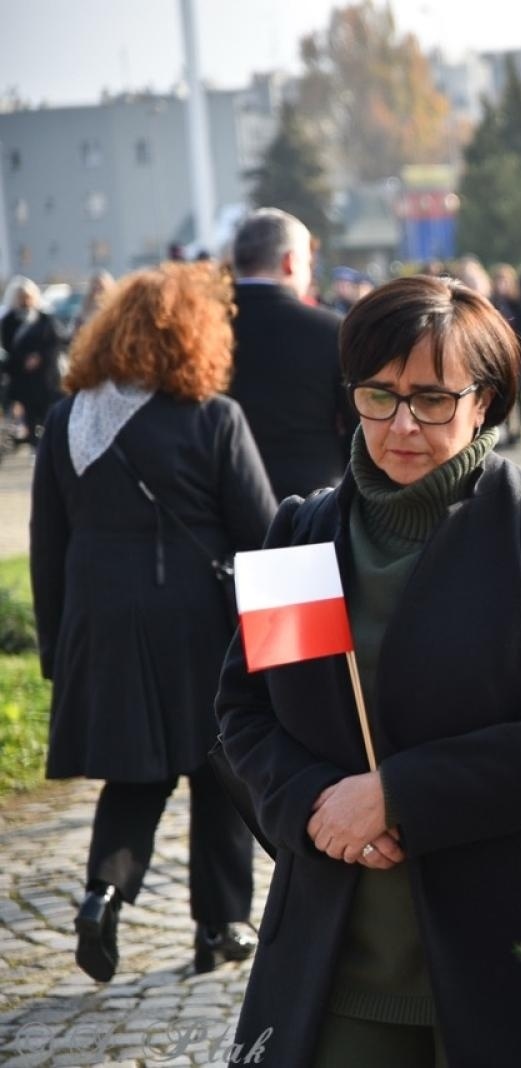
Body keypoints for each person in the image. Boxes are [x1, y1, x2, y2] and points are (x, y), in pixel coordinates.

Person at [215, 275, 521, 1064]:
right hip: (341, 949)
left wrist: (395, 796)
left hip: (507, 943)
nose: (402, 424)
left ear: (486, 401)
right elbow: (245, 713)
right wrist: (316, 806)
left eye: (433, 398)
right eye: (381, 395)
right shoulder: (303, 534)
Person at [29, 263, 276, 984]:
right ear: (194, 336)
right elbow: (261, 532)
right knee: (219, 766)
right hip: (198, 623)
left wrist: (57, 649)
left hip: (100, 625)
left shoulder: (64, 419)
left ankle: (101, 896)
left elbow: (49, 543)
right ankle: (222, 925)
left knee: (135, 777)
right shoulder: (211, 417)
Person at [227, 208, 349, 502]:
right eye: (309, 262)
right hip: (314, 503)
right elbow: (358, 422)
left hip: (226, 502)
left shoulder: (201, 332)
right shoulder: (330, 329)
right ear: (290, 262)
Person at [1, 276, 66, 445]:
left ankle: (47, 444)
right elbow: (8, 349)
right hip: (23, 378)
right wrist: (23, 360)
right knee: (29, 414)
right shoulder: (8, 322)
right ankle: (34, 444)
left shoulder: (45, 319)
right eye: (21, 297)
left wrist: (40, 357)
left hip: (45, 377)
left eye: (27, 297)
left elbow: (55, 344)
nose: (25, 301)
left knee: (47, 413)